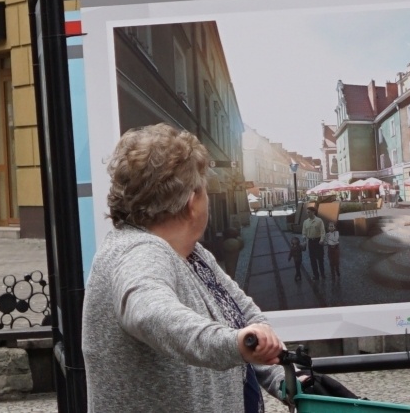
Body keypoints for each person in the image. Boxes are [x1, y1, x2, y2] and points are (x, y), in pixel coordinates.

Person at [81, 123, 286, 413]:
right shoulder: (138, 252)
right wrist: (236, 343)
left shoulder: (193, 253)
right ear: (193, 202)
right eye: (204, 190)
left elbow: (245, 321)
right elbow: (150, 312)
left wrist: (285, 378)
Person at [302, 206, 326, 280]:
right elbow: (304, 233)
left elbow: (322, 232)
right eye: (307, 212)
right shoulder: (305, 222)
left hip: (318, 242)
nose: (307, 213)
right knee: (312, 260)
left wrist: (322, 240)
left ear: (313, 212)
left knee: (320, 259)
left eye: (309, 212)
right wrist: (304, 241)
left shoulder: (319, 221)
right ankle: (316, 275)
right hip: (311, 242)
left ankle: (323, 274)